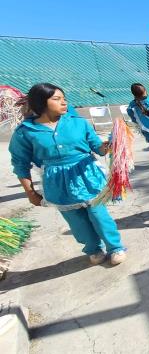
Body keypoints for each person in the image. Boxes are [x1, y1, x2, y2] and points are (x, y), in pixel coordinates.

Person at [9, 83, 127, 266]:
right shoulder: (25, 132)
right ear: (41, 103)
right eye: (57, 99)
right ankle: (93, 248)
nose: (64, 103)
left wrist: (110, 145)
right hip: (57, 184)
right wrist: (30, 192)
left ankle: (115, 247)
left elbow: (98, 149)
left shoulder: (78, 123)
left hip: (88, 176)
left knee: (99, 215)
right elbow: (20, 164)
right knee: (77, 223)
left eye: (64, 99)